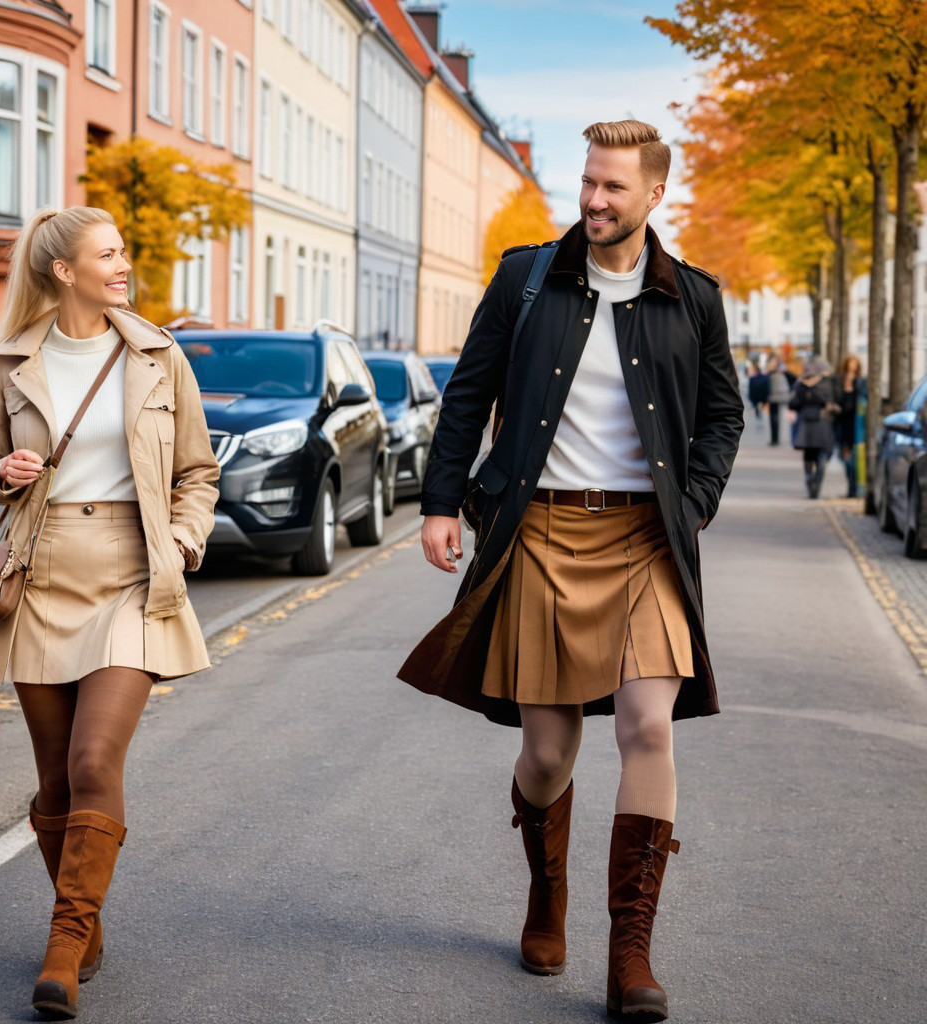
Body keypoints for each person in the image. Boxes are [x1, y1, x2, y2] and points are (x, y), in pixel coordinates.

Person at [399, 120, 744, 1022]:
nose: (594, 200)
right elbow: (467, 394)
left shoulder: (694, 300)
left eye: (613, 188)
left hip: (644, 542)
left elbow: (723, 417)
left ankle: (630, 952)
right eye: (588, 182)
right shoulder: (525, 279)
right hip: (541, 533)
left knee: (647, 729)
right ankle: (545, 885)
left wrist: (695, 501)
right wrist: (441, 506)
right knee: (548, 752)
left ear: (654, 195)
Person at [0, 206, 220, 1019]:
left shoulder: (155, 353)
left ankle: (65, 943)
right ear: (62, 271)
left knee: (93, 761)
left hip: (132, 577)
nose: (123, 264)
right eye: (106, 254)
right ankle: (88, 924)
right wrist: (2, 471)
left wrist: (180, 540)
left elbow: (198, 472)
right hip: (38, 577)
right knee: (51, 781)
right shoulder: (13, 360)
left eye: (121, 251)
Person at [789, 356, 838, 499]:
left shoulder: (800, 384)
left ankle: (810, 482)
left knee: (808, 456)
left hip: (806, 422)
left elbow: (793, 404)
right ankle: (817, 484)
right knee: (821, 457)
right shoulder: (828, 383)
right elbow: (831, 400)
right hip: (823, 422)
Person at [833, 354, 866, 498]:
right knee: (844, 457)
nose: (851, 369)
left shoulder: (861, 382)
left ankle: (853, 488)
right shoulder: (839, 381)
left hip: (855, 426)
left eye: (854, 366)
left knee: (854, 459)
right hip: (842, 424)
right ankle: (850, 485)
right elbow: (837, 399)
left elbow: (862, 401)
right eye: (849, 365)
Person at [766, 354, 794, 447]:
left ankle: (776, 439)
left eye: (773, 361)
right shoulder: (769, 372)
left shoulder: (783, 370)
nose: (772, 363)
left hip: (780, 396)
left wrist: (790, 391)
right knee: (773, 419)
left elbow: (793, 379)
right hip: (772, 397)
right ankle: (774, 439)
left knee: (776, 419)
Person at [746, 357, 769, 424]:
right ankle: (759, 410)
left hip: (756, 397)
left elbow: (751, 390)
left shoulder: (752, 379)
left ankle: (758, 410)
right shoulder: (763, 378)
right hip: (760, 397)